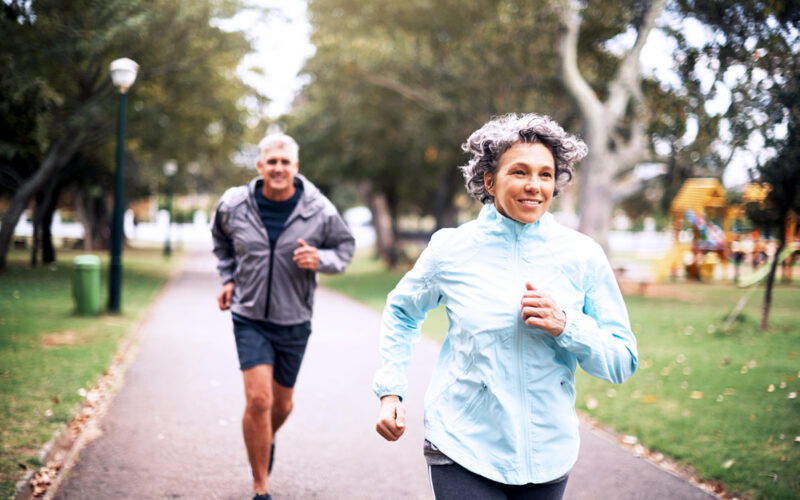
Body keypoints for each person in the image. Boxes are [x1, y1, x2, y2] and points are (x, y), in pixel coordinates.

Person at [373, 113, 638, 500]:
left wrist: (567, 326)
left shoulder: (583, 255)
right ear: (489, 180)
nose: (534, 186)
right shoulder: (451, 249)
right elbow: (401, 311)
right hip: (463, 443)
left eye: (545, 175)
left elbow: (622, 360)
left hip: (548, 452)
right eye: (520, 172)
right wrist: (391, 393)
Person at [211, 133, 355, 500]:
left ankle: (262, 437)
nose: (278, 168)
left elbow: (344, 247)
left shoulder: (318, 209)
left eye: (285, 162)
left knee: (282, 403)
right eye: (271, 161)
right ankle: (261, 486)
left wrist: (320, 259)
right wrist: (228, 278)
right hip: (249, 314)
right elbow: (221, 241)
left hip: (294, 318)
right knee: (259, 401)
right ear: (259, 166)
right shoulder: (234, 204)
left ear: (295, 167)